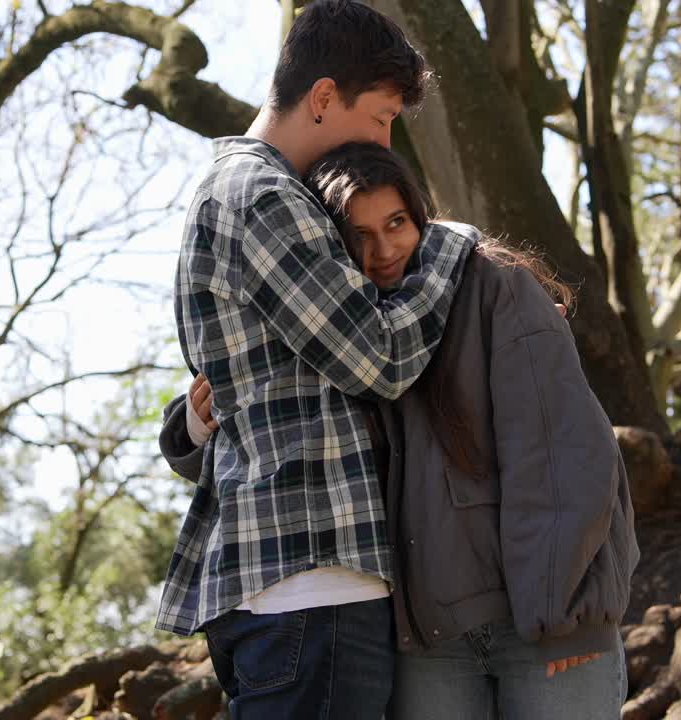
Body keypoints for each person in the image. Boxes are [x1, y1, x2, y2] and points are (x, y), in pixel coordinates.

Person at [161, 142, 640, 719]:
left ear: (420, 214)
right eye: (360, 236)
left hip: (539, 622)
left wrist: (569, 610)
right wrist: (191, 423)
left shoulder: (495, 289)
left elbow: (567, 453)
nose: (383, 249)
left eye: (396, 223)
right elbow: (265, 422)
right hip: (426, 642)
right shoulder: (344, 333)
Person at [155, 2, 475, 719]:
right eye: (385, 115)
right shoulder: (266, 196)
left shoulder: (235, 193)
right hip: (314, 585)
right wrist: (449, 246)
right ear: (325, 97)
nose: (388, 138)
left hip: (284, 589)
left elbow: (245, 390)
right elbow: (381, 358)